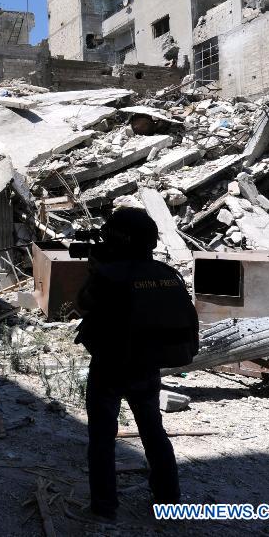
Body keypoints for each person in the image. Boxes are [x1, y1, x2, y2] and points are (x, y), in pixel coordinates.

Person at [75, 207, 198, 520]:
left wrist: (96, 269)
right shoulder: (167, 274)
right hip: (147, 367)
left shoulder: (108, 274)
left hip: (110, 367)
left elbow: (83, 305)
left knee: (102, 438)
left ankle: (104, 509)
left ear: (117, 238)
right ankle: (168, 500)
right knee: (153, 432)